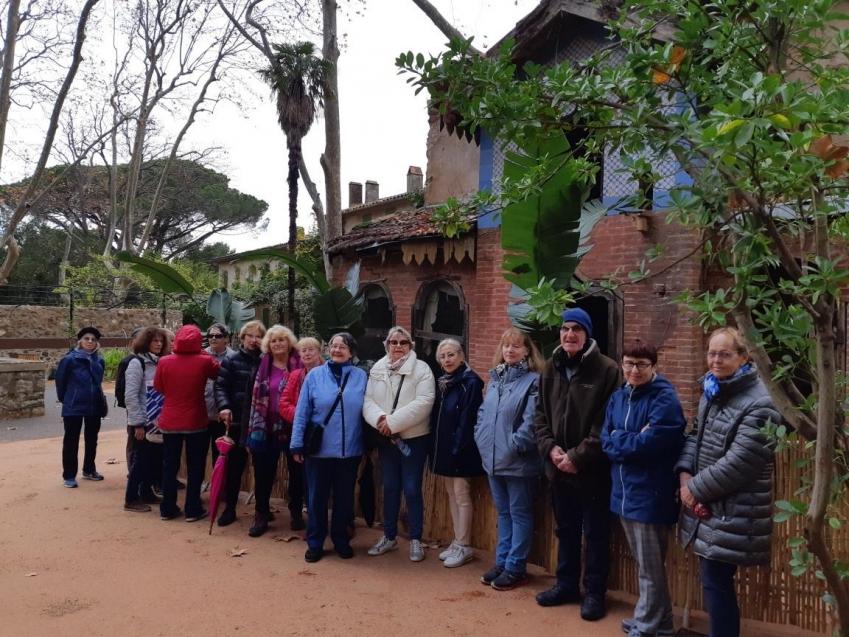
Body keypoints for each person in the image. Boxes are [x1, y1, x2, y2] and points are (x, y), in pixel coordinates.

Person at [675, 327, 778, 637]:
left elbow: (740, 463)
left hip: (734, 507)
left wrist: (692, 489)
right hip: (710, 501)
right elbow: (694, 434)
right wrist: (684, 473)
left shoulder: (761, 402)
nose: (715, 360)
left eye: (724, 354)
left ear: (744, 357)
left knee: (716, 581)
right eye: (711, 353)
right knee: (714, 581)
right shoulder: (713, 390)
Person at [534, 307, 620, 620]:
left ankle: (595, 593)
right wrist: (551, 449)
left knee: (596, 533)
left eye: (577, 330)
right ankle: (566, 585)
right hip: (557, 468)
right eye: (566, 329)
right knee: (565, 530)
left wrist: (577, 456)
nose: (570, 334)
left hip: (592, 470)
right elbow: (539, 414)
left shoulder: (608, 370)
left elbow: (607, 422)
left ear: (587, 335)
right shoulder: (549, 368)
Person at [601, 341, 685, 637]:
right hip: (624, 491)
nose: (634, 370)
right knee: (643, 564)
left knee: (650, 567)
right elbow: (605, 439)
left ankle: (648, 626)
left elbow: (655, 443)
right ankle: (659, 623)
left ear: (654, 367)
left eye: (641, 365)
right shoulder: (618, 397)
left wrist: (620, 440)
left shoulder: (664, 400)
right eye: (628, 363)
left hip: (651, 493)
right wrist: (630, 439)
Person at [474, 327, 544, 590]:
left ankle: (516, 566)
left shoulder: (534, 381)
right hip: (492, 460)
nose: (510, 350)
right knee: (503, 513)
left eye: (516, 346)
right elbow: (483, 415)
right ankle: (502, 561)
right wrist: (481, 439)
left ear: (527, 351)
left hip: (518, 461)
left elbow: (531, 422)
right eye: (506, 346)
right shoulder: (495, 381)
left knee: (519, 513)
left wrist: (515, 446)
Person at [291, 332, 367, 563]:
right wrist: (297, 444)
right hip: (319, 451)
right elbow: (302, 412)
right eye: (333, 345)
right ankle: (315, 542)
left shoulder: (361, 376)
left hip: (349, 450)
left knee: (344, 499)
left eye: (343, 346)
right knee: (316, 499)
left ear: (351, 351)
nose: (337, 349)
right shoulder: (315, 376)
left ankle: (341, 539)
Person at [363, 326, 435, 562]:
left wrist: (392, 422)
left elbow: (424, 402)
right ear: (387, 344)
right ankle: (389, 536)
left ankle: (415, 538)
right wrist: (379, 420)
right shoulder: (378, 368)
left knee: (412, 488)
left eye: (403, 342)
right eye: (393, 342)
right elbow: (368, 399)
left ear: (410, 345)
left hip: (413, 439)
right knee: (390, 487)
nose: (397, 346)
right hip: (386, 439)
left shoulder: (422, 369)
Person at [153, 324, 220, 521]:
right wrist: (199, 352)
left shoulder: (164, 361)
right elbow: (218, 373)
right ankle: (193, 509)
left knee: (169, 466)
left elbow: (159, 387)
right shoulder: (204, 361)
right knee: (195, 466)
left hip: (170, 420)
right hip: (195, 420)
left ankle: (168, 509)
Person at [429, 338, 484, 568]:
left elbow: (467, 419)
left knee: (461, 495)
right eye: (443, 356)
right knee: (452, 494)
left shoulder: (469, 383)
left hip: (460, 451)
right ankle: (457, 540)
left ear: (461, 356)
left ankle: (465, 545)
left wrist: (456, 449)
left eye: (451, 355)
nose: (447, 360)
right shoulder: (445, 382)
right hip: (444, 448)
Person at [244, 325, 302, 537]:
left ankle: (296, 513)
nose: (278, 343)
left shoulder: (300, 365)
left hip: (294, 427)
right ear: (268, 345)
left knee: (297, 474)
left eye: (282, 340)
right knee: (263, 474)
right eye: (274, 340)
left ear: (289, 342)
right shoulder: (261, 366)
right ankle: (261, 514)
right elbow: (251, 399)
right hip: (265, 428)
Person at [214, 320, 266, 527]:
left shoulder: (267, 361)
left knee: (262, 468)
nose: (254, 340)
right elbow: (220, 386)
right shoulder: (231, 360)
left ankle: (262, 510)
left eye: (258, 336)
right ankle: (230, 508)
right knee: (234, 468)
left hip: (260, 423)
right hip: (236, 422)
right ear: (242, 338)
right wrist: (224, 407)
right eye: (250, 336)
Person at [123, 327, 172, 512]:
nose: (159, 344)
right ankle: (131, 498)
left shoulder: (160, 362)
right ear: (146, 342)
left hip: (157, 422)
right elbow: (131, 395)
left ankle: (146, 492)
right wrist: (137, 423)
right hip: (143, 422)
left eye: (161, 341)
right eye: (155, 341)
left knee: (153, 460)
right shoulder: (137, 363)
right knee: (140, 461)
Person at [278, 336, 324, 531]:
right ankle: (296, 514)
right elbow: (283, 403)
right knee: (296, 476)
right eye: (303, 350)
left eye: (310, 349)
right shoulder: (296, 375)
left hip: (320, 435)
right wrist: (301, 415)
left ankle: (318, 518)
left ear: (319, 351)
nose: (306, 353)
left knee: (319, 479)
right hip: (297, 434)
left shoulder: (327, 373)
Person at [55, 326, 106, 489]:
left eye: (93, 339)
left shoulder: (99, 361)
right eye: (87, 339)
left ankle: (89, 469)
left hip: (94, 405)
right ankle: (69, 475)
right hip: (74, 405)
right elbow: (60, 382)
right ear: (80, 341)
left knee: (92, 439)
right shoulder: (69, 359)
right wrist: (67, 399)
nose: (90, 342)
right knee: (71, 440)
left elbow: (98, 382)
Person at [204, 323, 234, 467]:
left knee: (220, 453)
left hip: (222, 415)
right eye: (210, 336)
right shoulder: (201, 355)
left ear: (226, 339)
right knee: (199, 452)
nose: (213, 338)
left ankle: (219, 487)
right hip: (202, 413)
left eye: (218, 336)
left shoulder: (233, 358)